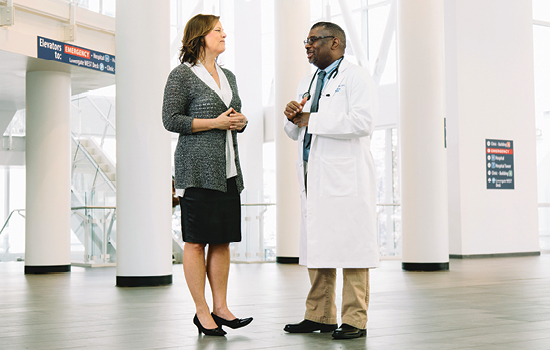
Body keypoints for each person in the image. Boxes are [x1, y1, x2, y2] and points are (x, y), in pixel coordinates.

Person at [282, 22, 379, 340]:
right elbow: (295, 130)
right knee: (319, 244)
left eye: (313, 40)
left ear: (335, 42)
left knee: (352, 246)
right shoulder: (308, 79)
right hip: (314, 173)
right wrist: (292, 116)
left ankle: (354, 318)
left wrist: (312, 119)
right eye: (306, 41)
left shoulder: (355, 76)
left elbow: (363, 121)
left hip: (346, 176)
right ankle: (320, 315)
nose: (307, 46)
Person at [162, 14, 252, 337]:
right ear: (201, 37)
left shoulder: (229, 76)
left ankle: (221, 307)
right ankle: (202, 312)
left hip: (227, 171)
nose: (224, 33)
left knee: (222, 239)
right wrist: (214, 123)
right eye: (218, 30)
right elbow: (170, 119)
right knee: (196, 241)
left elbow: (234, 117)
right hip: (197, 171)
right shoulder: (181, 76)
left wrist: (240, 121)